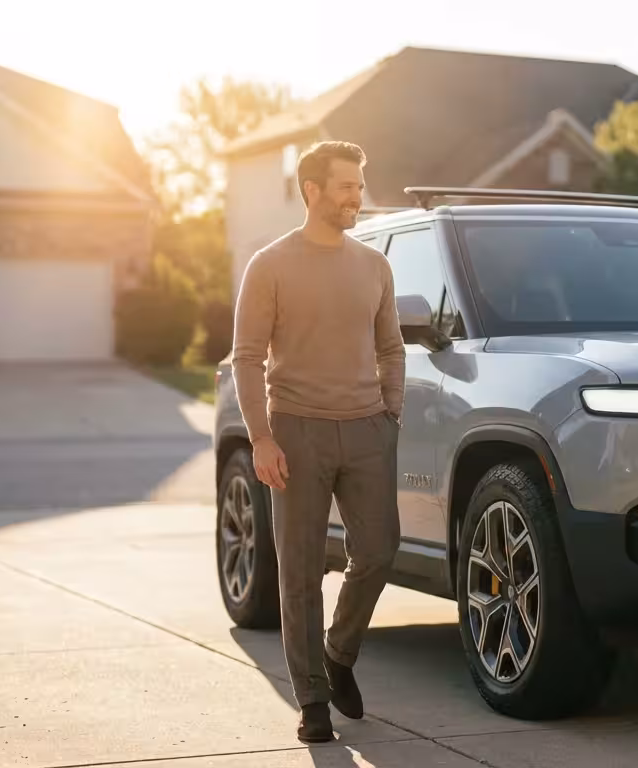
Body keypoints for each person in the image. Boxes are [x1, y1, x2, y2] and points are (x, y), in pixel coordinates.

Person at [230, 140, 404, 744]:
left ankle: (338, 654)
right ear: (312, 191)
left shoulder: (374, 265)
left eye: (359, 185)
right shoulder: (271, 265)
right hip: (297, 431)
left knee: (379, 552)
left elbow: (390, 347)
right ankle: (312, 700)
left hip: (367, 430)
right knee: (300, 572)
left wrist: (391, 415)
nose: (358, 196)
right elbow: (248, 358)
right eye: (346, 186)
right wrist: (262, 438)